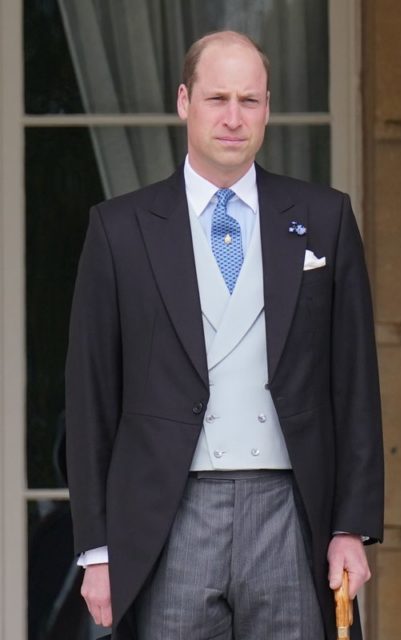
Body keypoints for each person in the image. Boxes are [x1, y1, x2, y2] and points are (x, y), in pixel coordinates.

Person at [65, 31, 383, 639]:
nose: (234, 118)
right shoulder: (119, 228)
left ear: (268, 109)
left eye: (250, 100)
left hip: (291, 509)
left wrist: (351, 526)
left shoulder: (323, 216)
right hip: (170, 513)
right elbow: (90, 398)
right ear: (184, 101)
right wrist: (96, 548)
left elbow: (355, 384)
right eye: (217, 99)